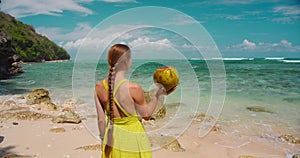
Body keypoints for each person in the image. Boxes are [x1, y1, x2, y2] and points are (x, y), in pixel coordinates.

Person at [94, 44, 165, 158]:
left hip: (112, 139)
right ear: (126, 62)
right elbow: (146, 115)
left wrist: (103, 139)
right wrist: (157, 96)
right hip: (133, 139)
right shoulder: (134, 88)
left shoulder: (98, 87)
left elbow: (101, 120)